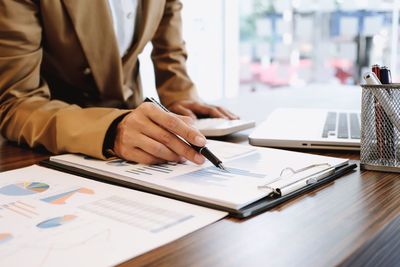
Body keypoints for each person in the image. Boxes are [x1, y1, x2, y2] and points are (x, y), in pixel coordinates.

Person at [0, 0, 238, 165]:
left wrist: (179, 93)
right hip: (54, 139)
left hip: (134, 128)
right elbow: (15, 103)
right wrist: (111, 129)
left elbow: (168, 30)